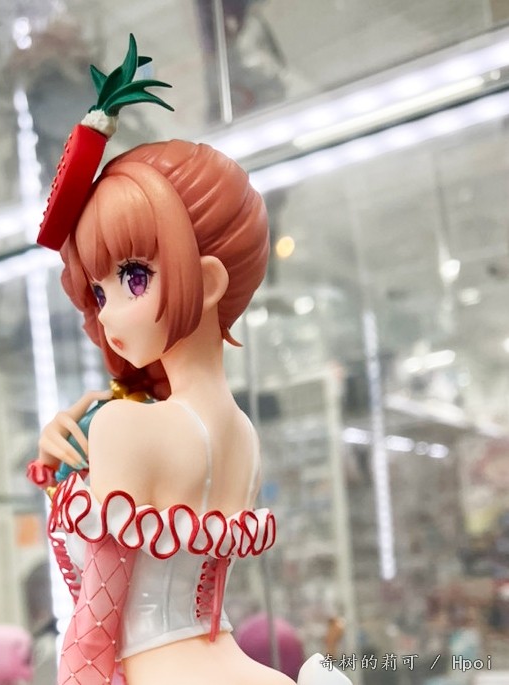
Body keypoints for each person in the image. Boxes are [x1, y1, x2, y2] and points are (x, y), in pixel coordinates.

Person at [28, 35, 351, 685]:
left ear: (205, 282)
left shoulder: (126, 427)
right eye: (99, 291)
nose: (108, 313)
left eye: (134, 278)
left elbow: (93, 636)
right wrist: (66, 459)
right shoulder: (244, 437)